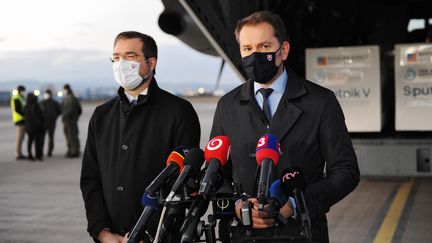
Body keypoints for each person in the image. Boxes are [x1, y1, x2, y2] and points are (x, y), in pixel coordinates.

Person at [210, 11, 360, 242]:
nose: (255, 55)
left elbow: (346, 172)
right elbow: (217, 174)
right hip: (244, 234)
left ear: (284, 50)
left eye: (264, 46)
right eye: (247, 49)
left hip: (301, 232)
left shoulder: (320, 101)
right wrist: (238, 206)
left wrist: (297, 204)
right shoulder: (227, 105)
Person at [80, 31, 200, 243]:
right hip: (109, 238)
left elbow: (185, 185)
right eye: (116, 58)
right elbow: (90, 180)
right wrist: (102, 232)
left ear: (150, 63)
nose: (121, 64)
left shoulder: (179, 112)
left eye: (130, 56)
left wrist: (153, 234)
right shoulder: (101, 116)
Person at [61, 84, 82, 158]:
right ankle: (72, 150)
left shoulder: (70, 98)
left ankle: (74, 151)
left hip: (70, 120)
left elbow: (71, 109)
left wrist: (64, 115)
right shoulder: (69, 97)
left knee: (71, 135)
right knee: (71, 135)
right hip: (70, 120)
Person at [39, 89, 61, 157]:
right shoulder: (42, 102)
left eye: (48, 94)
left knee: (50, 137)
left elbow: (59, 111)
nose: (47, 95)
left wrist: (54, 117)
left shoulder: (54, 102)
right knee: (43, 137)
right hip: (44, 122)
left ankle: (49, 152)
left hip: (51, 122)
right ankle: (41, 151)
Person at [24, 93, 45, 161]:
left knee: (30, 141)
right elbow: (40, 115)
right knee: (37, 141)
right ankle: (37, 155)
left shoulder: (26, 106)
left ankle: (30, 154)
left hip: (28, 126)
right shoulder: (35, 106)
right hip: (36, 127)